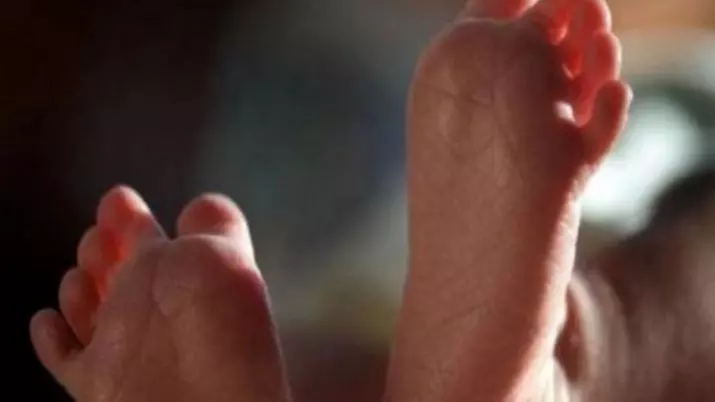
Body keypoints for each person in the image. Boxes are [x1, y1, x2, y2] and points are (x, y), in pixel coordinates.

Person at [34, 0, 707, 400]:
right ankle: (574, 363)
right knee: (666, 290)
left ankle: (562, 361)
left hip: (350, 292)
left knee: (334, 355)